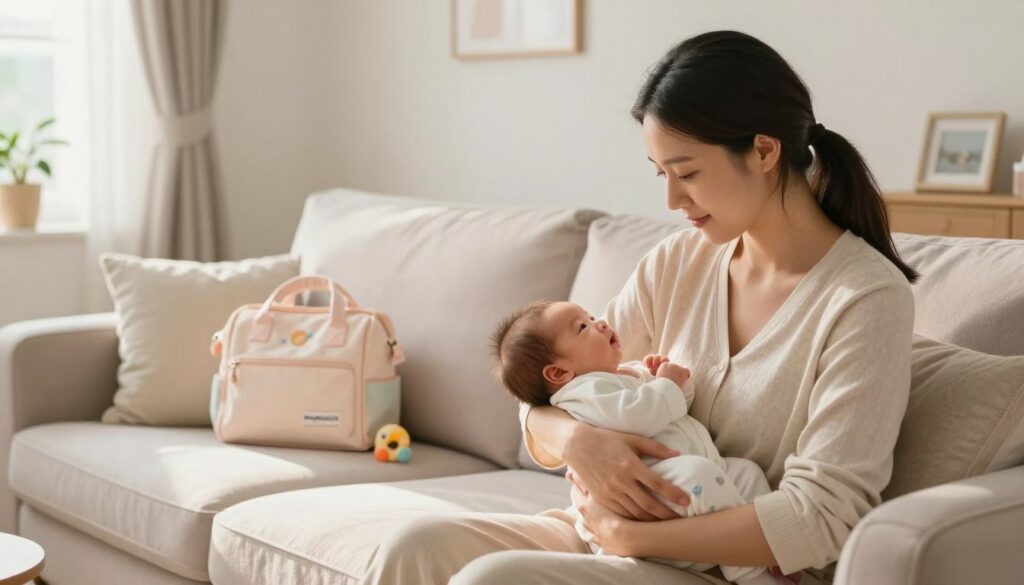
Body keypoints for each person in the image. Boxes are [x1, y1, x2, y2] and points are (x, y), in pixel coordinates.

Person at [363, 29, 917, 585]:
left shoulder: (865, 299)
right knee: (415, 547)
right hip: (611, 537)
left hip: (732, 568)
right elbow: (550, 394)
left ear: (765, 150)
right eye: (662, 175)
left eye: (688, 173)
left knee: (495, 580)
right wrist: (580, 441)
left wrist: (632, 535)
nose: (672, 200)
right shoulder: (679, 262)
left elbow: (824, 515)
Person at [488, 299, 781, 585]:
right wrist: (667, 386)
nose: (600, 323)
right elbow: (640, 416)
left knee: (746, 472)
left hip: (689, 472)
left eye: (590, 317)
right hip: (651, 489)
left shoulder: (623, 372)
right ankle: (750, 573)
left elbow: (674, 409)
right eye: (583, 327)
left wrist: (668, 381)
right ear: (559, 373)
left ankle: (771, 554)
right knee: (701, 476)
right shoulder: (582, 393)